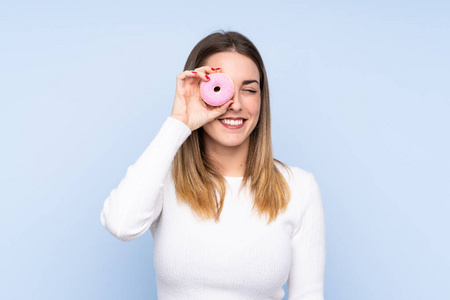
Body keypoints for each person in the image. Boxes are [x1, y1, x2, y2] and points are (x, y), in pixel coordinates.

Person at [100, 30, 326, 300]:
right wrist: (179, 122)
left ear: (261, 100)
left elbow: (309, 296)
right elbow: (121, 224)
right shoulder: (163, 180)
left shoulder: (299, 187)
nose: (235, 104)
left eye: (250, 90)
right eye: (222, 88)